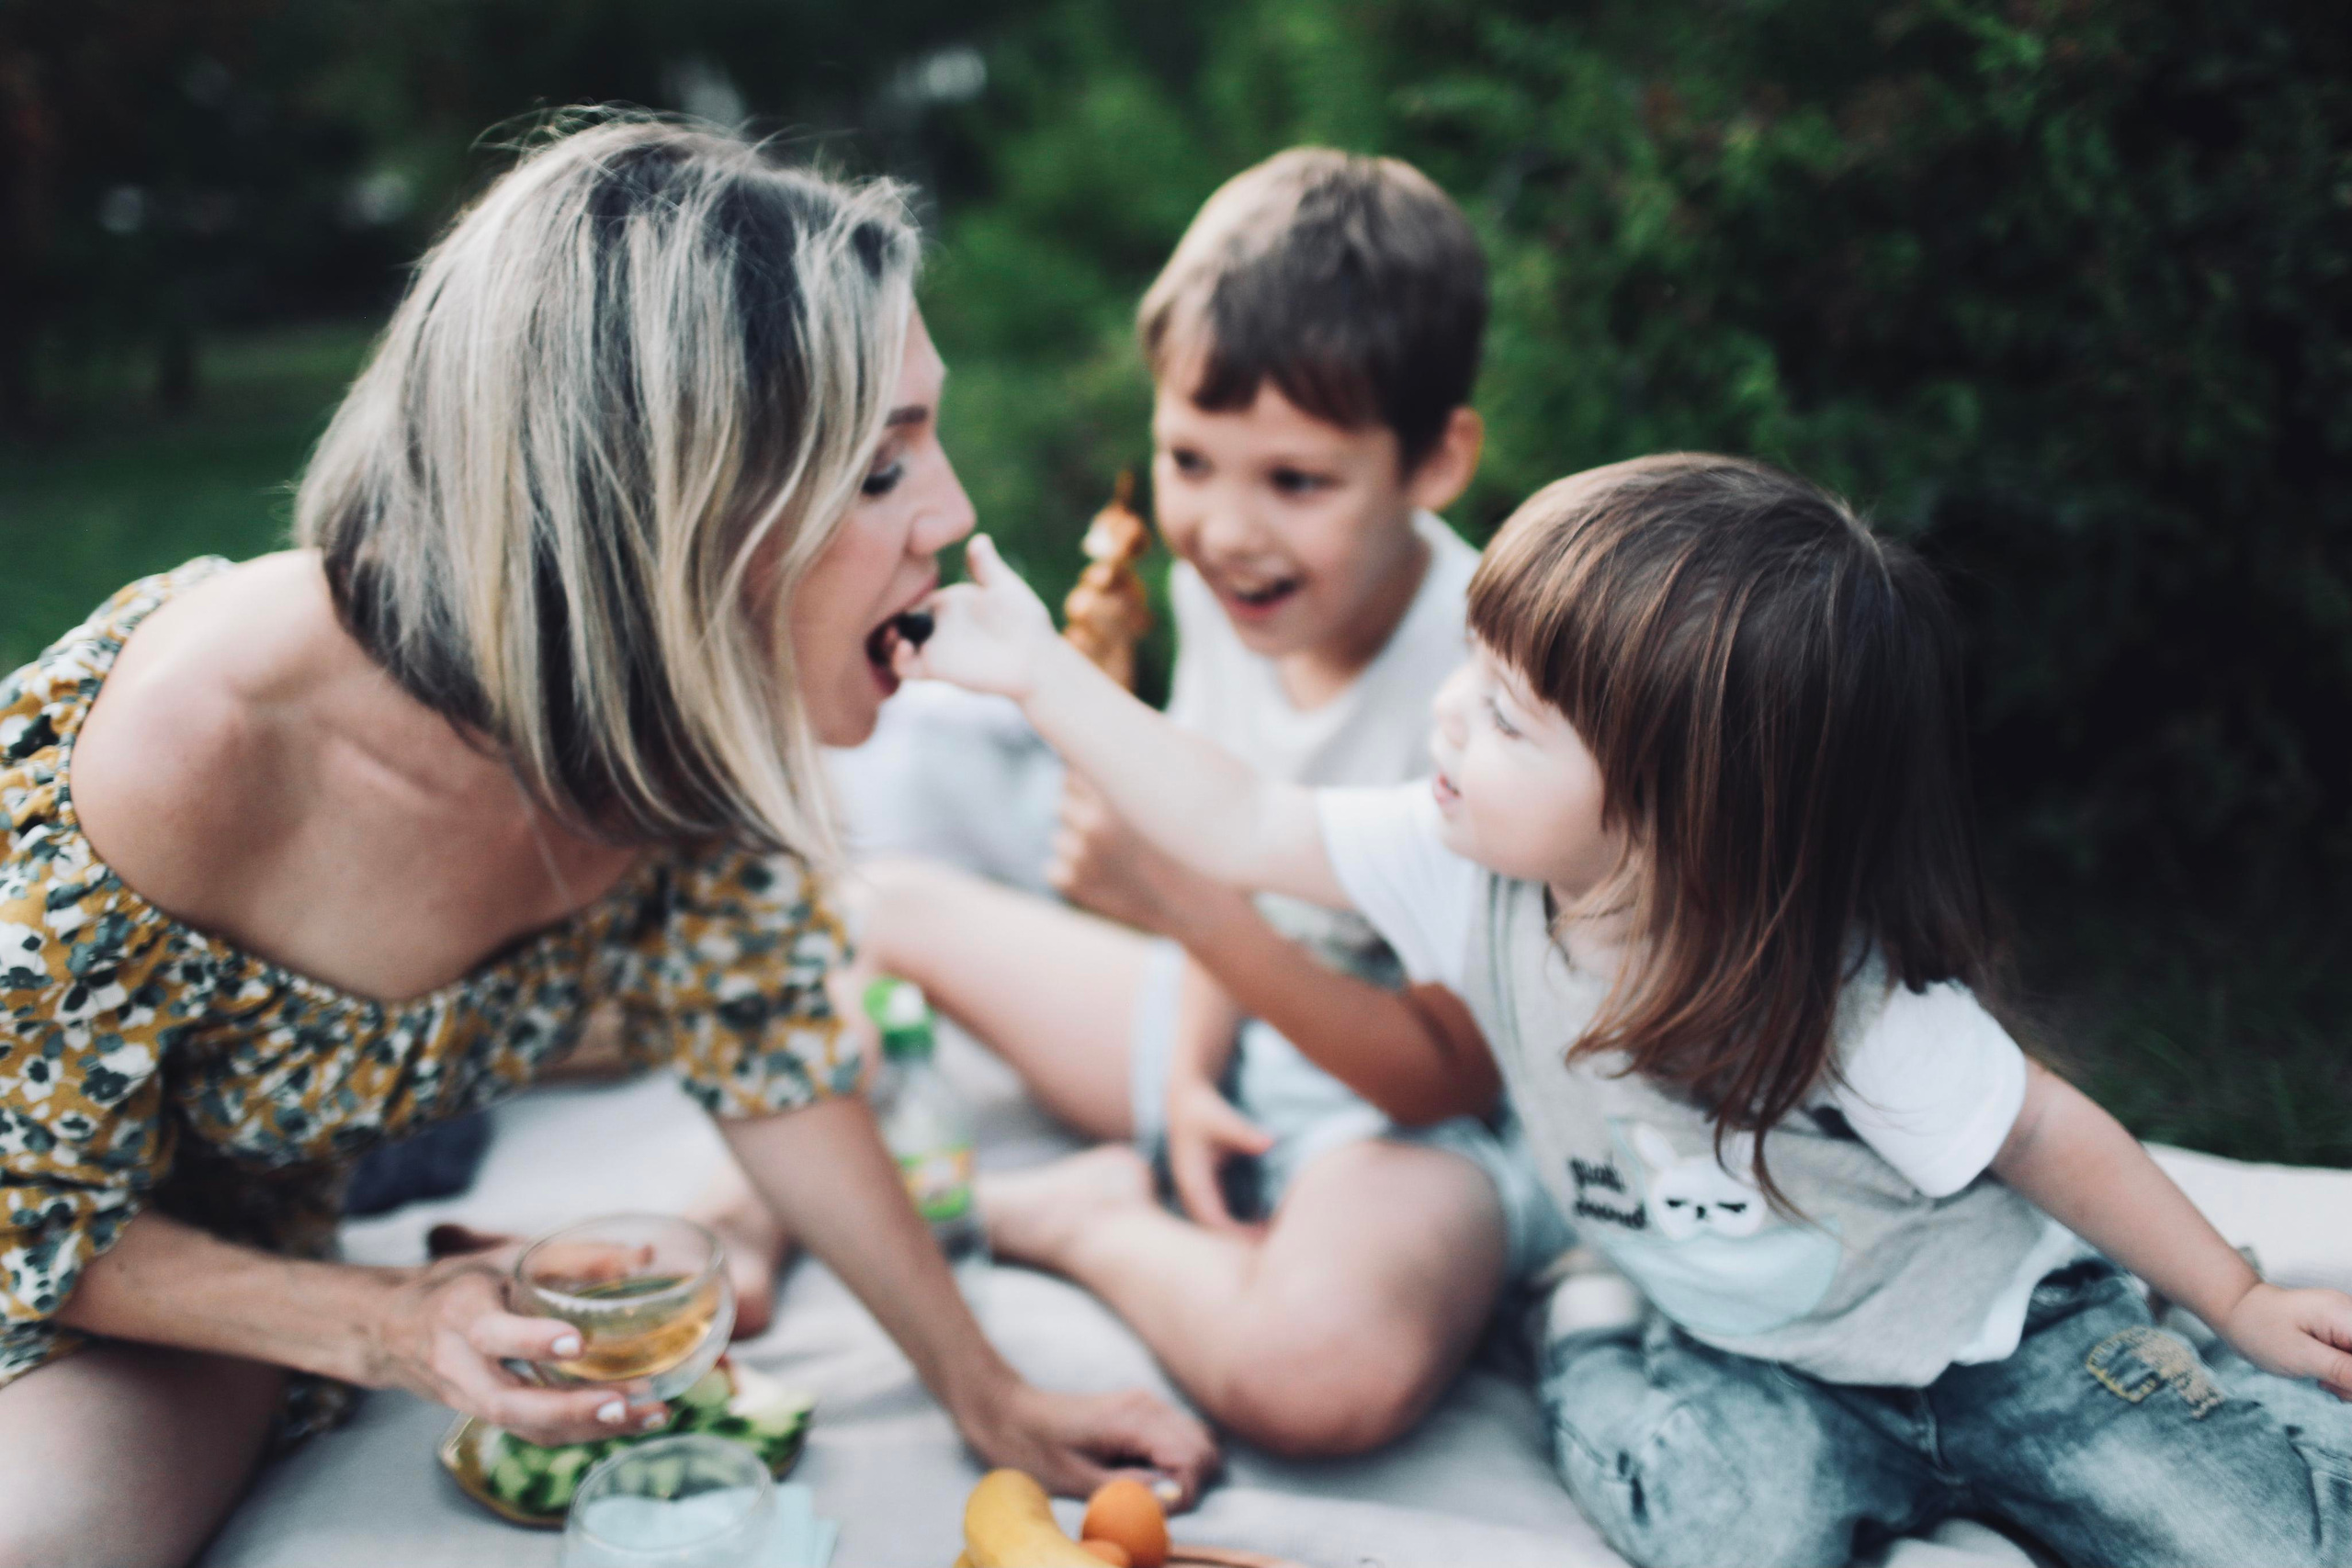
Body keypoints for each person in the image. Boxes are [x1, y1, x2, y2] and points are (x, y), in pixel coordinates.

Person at [0, 116, 1214, 1568]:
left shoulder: (669, 718)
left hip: (220, 1261)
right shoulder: (192, 749)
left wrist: (987, 1390)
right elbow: (24, 1211)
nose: (952, 514)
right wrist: (383, 1324)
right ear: (669, 510)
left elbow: (773, 1062)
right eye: (882, 472)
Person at [891, 453, 2352, 1567]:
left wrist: (2234, 1295)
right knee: (1727, 1532)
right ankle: (1589, 1321)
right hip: (1745, 1355)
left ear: (1673, 817)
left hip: (1990, 1344)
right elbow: (1234, 814)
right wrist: (1034, 677)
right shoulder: (1461, 861)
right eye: (1471, 673)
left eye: (1509, 716)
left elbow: (2043, 1130)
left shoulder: (1832, 988)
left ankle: (2171, 1356)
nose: (1448, 719)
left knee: (2274, 1535)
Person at [716, 147, 1571, 1454]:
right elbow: (1217, 849)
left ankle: (1080, 1221)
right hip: (1232, 1023)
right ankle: (744, 1209)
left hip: (1411, 1120)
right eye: (1189, 459)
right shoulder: (1236, 593)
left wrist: (1190, 914)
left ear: (1437, 462)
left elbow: (1444, 1077)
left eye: (1295, 481)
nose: (1226, 529)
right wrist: (1182, 1070)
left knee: (1319, 1378)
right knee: (870, 903)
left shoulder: (1482, 688)